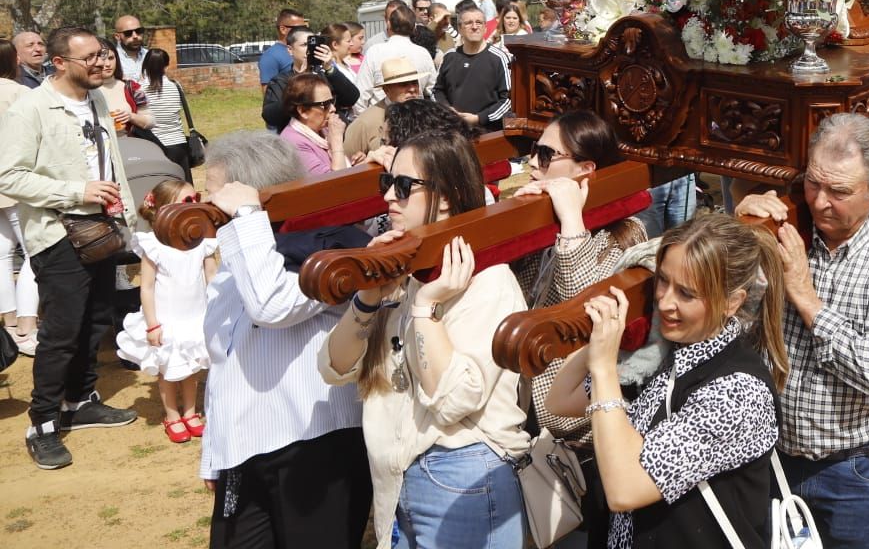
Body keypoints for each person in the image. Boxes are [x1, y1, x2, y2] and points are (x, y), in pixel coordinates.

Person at [319, 132, 528, 548]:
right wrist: (367, 295)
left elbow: (454, 401)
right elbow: (334, 367)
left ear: (446, 196)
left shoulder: (488, 281)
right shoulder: (403, 271)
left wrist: (424, 310)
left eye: (403, 187)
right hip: (398, 478)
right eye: (386, 183)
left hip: (464, 472)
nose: (387, 199)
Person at [734, 113, 869, 549]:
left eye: (839, 191)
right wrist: (738, 234)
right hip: (771, 460)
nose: (820, 202)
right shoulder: (783, 234)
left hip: (855, 471)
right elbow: (728, 325)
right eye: (813, 184)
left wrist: (806, 297)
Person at [546, 211, 786, 548]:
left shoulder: (738, 393)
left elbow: (625, 489)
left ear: (732, 303)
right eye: (662, 280)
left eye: (687, 294)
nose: (665, 301)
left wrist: (603, 367)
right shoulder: (664, 352)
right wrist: (602, 340)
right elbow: (560, 401)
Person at [199, 129, 372, 548]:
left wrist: (245, 218)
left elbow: (270, 306)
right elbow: (223, 360)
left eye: (214, 195)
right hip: (245, 448)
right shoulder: (238, 258)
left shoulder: (324, 250)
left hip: (315, 447)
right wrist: (215, 451)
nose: (205, 206)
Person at [0, 27, 140, 469]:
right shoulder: (30, 109)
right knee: (61, 331)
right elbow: (8, 176)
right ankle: (42, 423)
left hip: (102, 229)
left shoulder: (97, 100)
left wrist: (129, 220)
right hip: (57, 235)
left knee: (97, 317)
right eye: (91, 59)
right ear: (59, 62)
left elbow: (112, 163)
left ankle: (80, 401)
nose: (102, 64)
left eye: (103, 55)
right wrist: (76, 191)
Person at [514, 109, 649, 438]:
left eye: (546, 155)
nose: (532, 163)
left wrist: (573, 221)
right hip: (526, 416)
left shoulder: (625, 234)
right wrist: (520, 226)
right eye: (533, 150)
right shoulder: (544, 220)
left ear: (586, 170)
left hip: (582, 434)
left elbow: (584, 310)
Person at [116, 178, 218, 444]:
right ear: (164, 209)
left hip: (196, 318)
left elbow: (212, 277)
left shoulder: (202, 242)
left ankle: (190, 412)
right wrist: (152, 324)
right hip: (167, 321)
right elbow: (147, 288)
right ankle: (172, 415)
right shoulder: (154, 246)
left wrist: (217, 309)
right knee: (169, 371)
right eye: (186, 201)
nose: (193, 205)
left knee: (192, 369)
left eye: (195, 199)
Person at [0, 39, 40, 353]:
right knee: (33, 252)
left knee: (2, 255)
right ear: (14, 60)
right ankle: (27, 328)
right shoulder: (21, 93)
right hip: (17, 182)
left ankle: (11, 322)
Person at [261, 26, 362, 132]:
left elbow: (352, 98)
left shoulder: (325, 74)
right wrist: (299, 81)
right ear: (290, 50)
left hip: (333, 135)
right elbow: (270, 117)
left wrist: (330, 69)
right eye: (304, 45)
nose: (309, 49)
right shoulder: (281, 81)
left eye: (311, 45)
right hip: (299, 139)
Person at [432, 1, 512, 132]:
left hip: (487, 133)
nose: (474, 27)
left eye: (479, 22)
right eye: (468, 23)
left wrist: (479, 118)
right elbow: (437, 91)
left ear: (485, 27)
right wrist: (447, 110)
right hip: (454, 132)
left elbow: (508, 100)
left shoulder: (499, 58)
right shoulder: (449, 57)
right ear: (459, 28)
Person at [344, 56, 422, 161]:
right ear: (386, 90)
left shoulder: (426, 114)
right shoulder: (365, 123)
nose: (412, 89)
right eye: (404, 84)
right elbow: (347, 166)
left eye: (414, 82)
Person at [362, 0, 437, 103]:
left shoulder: (375, 52)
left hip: (384, 115)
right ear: (414, 27)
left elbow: (362, 92)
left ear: (389, 24)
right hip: (415, 114)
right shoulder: (423, 53)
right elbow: (432, 90)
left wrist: (365, 117)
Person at [277, 72, 348, 175]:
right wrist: (337, 142)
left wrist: (353, 163)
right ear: (303, 111)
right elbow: (335, 185)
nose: (333, 108)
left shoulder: (322, 129)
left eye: (332, 101)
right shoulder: (294, 145)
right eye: (325, 105)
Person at [139, 47, 194, 178]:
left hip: (156, 146)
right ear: (166, 66)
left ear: (145, 65)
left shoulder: (140, 89)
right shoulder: (176, 86)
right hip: (179, 144)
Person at [257, 9, 310, 89]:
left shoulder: (305, 50)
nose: (303, 31)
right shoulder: (270, 57)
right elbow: (269, 96)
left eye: (304, 27)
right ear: (283, 29)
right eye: (299, 28)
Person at [113, 14, 149, 84]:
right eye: (128, 33)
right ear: (117, 36)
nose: (135, 36)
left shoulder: (149, 56)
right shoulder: (112, 59)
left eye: (138, 31)